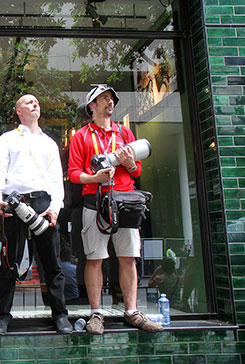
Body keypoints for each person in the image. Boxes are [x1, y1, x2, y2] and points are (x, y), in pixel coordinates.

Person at [67, 85, 163, 334]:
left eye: (112, 99)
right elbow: (74, 173)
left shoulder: (124, 132)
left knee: (129, 257)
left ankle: (131, 312)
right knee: (95, 259)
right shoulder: (82, 136)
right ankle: (96, 313)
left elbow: (138, 170)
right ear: (92, 106)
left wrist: (131, 164)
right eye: (104, 98)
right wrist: (95, 178)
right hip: (95, 202)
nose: (110, 102)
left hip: (125, 201)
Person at [0, 94, 72, 335]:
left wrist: (55, 208)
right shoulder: (7, 139)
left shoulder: (49, 143)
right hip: (14, 203)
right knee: (8, 263)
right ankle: (2, 317)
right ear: (18, 111)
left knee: (52, 264)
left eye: (37, 101)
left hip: (44, 203)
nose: (34, 104)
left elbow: (57, 180)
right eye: (28, 102)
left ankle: (60, 315)